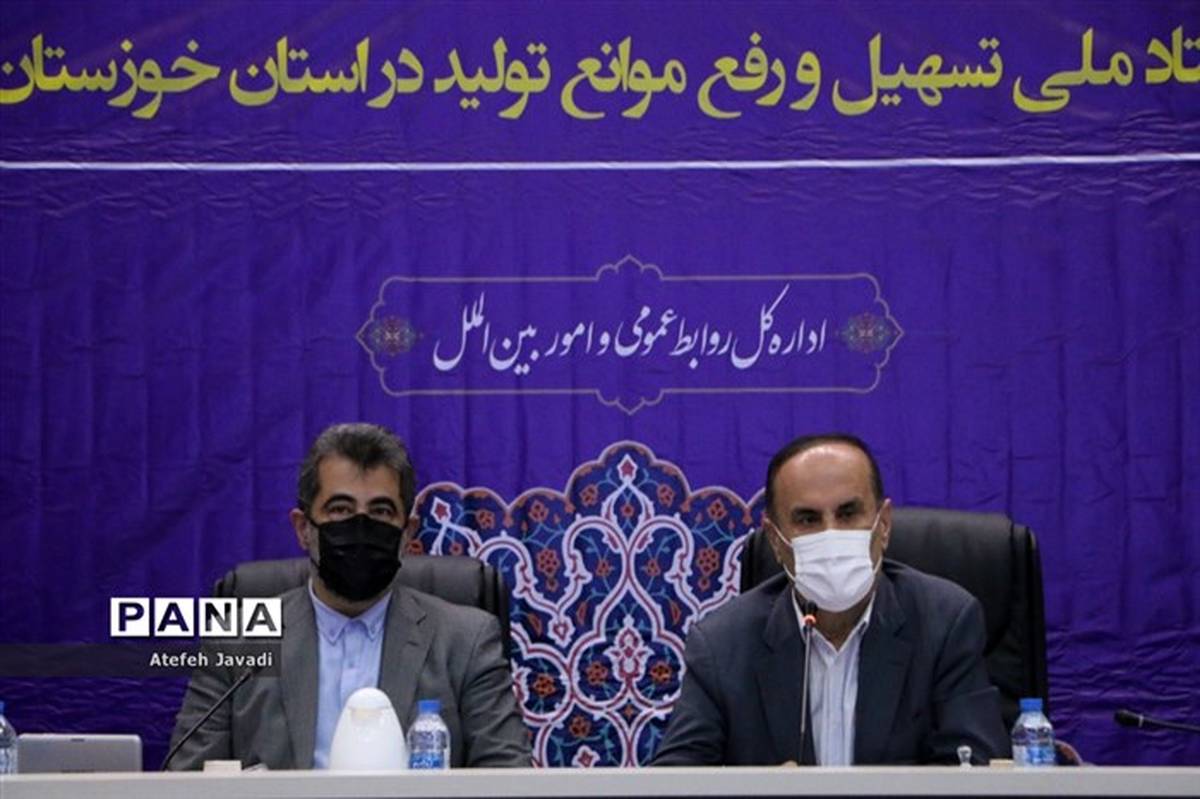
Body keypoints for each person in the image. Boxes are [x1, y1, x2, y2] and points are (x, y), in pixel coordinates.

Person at [167, 423, 531, 769]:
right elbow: (188, 779)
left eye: (381, 511)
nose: (360, 526)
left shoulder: (466, 640)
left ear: (408, 534)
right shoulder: (238, 637)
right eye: (340, 509)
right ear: (303, 528)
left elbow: (509, 779)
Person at [652, 434, 1008, 766]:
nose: (831, 534)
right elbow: (675, 783)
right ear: (775, 540)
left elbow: (976, 772)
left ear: (883, 525)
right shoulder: (722, 643)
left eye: (848, 514)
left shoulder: (944, 623)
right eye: (807, 519)